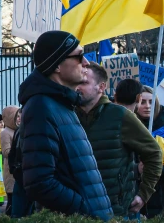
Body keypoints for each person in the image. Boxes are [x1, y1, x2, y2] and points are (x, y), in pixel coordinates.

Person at [18, 30, 112, 220]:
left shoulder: (64, 104)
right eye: (79, 56)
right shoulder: (41, 107)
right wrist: (85, 210)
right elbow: (40, 182)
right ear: (58, 66)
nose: (86, 62)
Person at [76, 62, 162, 218]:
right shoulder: (69, 115)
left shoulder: (120, 115)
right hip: (77, 211)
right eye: (76, 81)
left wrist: (144, 194)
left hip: (116, 210)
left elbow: (154, 153)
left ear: (101, 87)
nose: (77, 87)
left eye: (84, 82)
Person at [136, 86, 164, 216]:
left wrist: (156, 167)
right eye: (142, 102)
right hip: (137, 198)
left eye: (151, 102)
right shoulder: (128, 128)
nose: (147, 106)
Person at [0, 106, 19, 215]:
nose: (19, 119)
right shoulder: (5, 132)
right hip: (10, 170)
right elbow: (6, 152)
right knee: (11, 200)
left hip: (18, 169)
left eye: (20, 116)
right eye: (16, 116)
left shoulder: (18, 131)